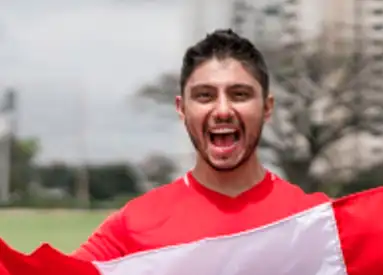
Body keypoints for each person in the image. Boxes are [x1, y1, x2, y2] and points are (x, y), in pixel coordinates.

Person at [74, 29, 327, 262]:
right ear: (182, 109)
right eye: (205, 96)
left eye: (240, 94)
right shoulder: (135, 227)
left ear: (267, 108)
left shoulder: (318, 224)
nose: (223, 110)